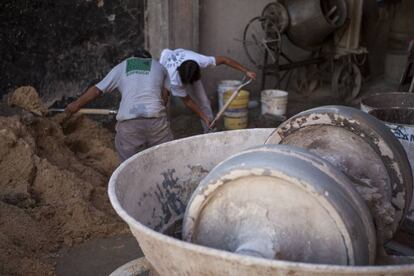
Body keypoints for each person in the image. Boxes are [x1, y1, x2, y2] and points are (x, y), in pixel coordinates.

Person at [65, 49, 208, 161]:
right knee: (166, 159)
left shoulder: (122, 66)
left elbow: (97, 91)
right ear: (149, 59)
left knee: (127, 165)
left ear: (132, 58)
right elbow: (165, 97)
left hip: (129, 123)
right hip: (156, 120)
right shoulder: (159, 66)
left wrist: (76, 105)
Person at [160, 48, 256, 131]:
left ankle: (209, 130)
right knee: (163, 100)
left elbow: (224, 60)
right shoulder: (173, 80)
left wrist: (246, 71)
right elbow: (188, 101)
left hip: (184, 61)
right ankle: (164, 126)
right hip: (166, 58)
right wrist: (203, 116)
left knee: (204, 102)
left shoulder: (200, 60)